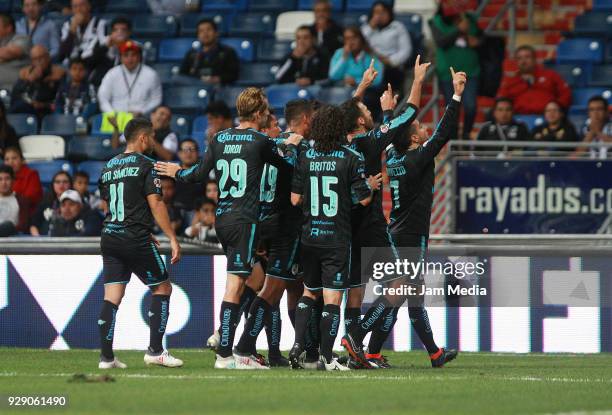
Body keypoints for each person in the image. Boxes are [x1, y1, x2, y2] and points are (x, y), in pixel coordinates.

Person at [155, 87, 301, 369]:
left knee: (244, 282)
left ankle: (228, 347)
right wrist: (292, 144)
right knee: (235, 285)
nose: (268, 114)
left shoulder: (219, 138)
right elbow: (286, 165)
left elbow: (197, 174)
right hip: (246, 219)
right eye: (266, 110)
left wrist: (177, 172)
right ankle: (226, 353)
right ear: (258, 113)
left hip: (222, 219)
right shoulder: (259, 140)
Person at [341, 67, 466, 370]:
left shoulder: (395, 157)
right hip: (412, 235)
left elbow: (391, 134)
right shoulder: (418, 157)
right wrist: (457, 95)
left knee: (411, 296)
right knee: (401, 294)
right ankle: (358, 336)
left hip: (395, 229)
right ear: (413, 138)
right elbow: (444, 132)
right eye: (421, 129)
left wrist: (387, 112)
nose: (425, 131)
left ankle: (432, 353)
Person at [339, 56, 427, 369]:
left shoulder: (339, 141)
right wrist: (416, 80)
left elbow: (344, 113)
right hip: (373, 225)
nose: (368, 112)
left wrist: (362, 87)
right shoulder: (371, 140)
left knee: (354, 293)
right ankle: (357, 337)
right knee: (402, 282)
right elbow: (411, 113)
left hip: (346, 226)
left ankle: (352, 351)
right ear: (360, 121)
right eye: (365, 110)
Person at [288, 104, 374, 371]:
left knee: (309, 293)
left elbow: (294, 199)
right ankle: (327, 357)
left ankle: (298, 347)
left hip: (309, 235)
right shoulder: (351, 157)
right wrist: (363, 188)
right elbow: (365, 197)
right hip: (336, 237)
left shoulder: (306, 157)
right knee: (333, 298)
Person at [97, 117, 183, 369]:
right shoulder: (147, 165)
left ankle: (106, 358)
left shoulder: (109, 166)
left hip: (110, 235)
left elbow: (107, 206)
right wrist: (172, 238)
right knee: (162, 288)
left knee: (111, 296)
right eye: (152, 137)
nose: (153, 142)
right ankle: (156, 351)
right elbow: (156, 203)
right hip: (134, 237)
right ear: (143, 138)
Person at [430, 5, 482, 140]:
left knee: (471, 106)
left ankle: (466, 135)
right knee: (453, 108)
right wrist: (459, 30)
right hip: (449, 73)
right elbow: (441, 42)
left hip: (471, 71)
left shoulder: (469, 18)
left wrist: (477, 41)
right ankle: (453, 140)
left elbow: (481, 38)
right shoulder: (436, 21)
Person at [498, 45, 571, 114]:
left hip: (548, 119)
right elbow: (502, 101)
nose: (523, 61)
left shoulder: (550, 75)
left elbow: (565, 93)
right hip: (519, 119)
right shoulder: (510, 81)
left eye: (527, 57)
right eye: (519, 58)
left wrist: (556, 108)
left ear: (534, 59)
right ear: (516, 62)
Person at [329, 26, 383, 119]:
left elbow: (377, 79)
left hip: (366, 92)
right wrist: (344, 58)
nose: (350, 42)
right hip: (342, 89)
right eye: (347, 39)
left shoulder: (369, 55)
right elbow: (333, 76)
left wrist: (357, 81)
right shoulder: (340, 53)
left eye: (353, 38)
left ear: (361, 39)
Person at [97, 40, 162, 116]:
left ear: (139, 57)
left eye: (133, 55)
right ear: (120, 58)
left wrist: (142, 111)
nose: (130, 59)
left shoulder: (151, 74)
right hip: (115, 116)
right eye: (126, 55)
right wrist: (111, 113)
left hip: (141, 117)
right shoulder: (112, 74)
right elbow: (103, 98)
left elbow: (157, 99)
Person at [361, 1, 412, 93]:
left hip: (391, 66)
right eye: (376, 12)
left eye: (383, 12)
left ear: (389, 13)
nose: (379, 15)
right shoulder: (367, 28)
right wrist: (371, 27)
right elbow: (359, 43)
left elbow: (406, 50)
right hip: (370, 65)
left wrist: (390, 61)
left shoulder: (397, 27)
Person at [179, 18, 239, 85]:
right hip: (195, 87)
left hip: (219, 88)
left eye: (209, 29)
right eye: (201, 31)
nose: (205, 33)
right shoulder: (191, 53)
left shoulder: (228, 52)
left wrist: (218, 79)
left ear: (216, 33)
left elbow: (233, 74)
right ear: (198, 36)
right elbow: (182, 74)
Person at [10, 45, 65, 118]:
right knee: (16, 107)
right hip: (29, 108)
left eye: (41, 58)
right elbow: (15, 96)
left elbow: (60, 98)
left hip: (48, 110)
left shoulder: (58, 73)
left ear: (48, 57)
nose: (38, 62)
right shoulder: (25, 73)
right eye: (35, 59)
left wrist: (43, 104)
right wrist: (29, 80)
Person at [58, 0, 107, 81]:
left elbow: (102, 51)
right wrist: (72, 31)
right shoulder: (68, 25)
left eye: (82, 5)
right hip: (71, 66)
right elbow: (62, 54)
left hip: (92, 64)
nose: (79, 9)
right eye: (75, 6)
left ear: (89, 6)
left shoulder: (100, 24)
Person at [111, 105, 178, 161]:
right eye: (162, 114)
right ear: (152, 115)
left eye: (168, 117)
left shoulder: (170, 135)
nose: (164, 117)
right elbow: (115, 146)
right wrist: (116, 128)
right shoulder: (137, 127)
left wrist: (149, 137)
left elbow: (168, 157)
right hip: (128, 163)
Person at [30, 170, 71, 236]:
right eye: (57, 182)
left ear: (70, 184)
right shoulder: (45, 202)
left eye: (65, 182)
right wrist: (38, 239)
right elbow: (33, 225)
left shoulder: (76, 204)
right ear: (53, 185)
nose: (61, 184)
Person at [3, 146, 42, 215]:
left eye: (14, 158)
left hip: (25, 215)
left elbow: (29, 199)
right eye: (7, 159)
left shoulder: (32, 174)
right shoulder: (2, 177)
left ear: (22, 160)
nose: (11, 162)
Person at [173, 139, 205, 214]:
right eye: (185, 150)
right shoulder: (171, 172)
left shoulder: (205, 173)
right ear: (179, 153)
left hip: (197, 212)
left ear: (198, 153)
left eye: (192, 150)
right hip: (175, 212)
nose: (188, 153)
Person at [0, 13, 30, 91]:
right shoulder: (1, 41)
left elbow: (10, 53)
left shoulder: (22, 38)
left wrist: (4, 55)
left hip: (15, 86)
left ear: (9, 28)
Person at [0, 165, 29, 236]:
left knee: (8, 225)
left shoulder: (22, 200)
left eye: (7, 179)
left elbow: (23, 226)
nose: (4, 183)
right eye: (0, 179)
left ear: (13, 180)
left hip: (12, 238)